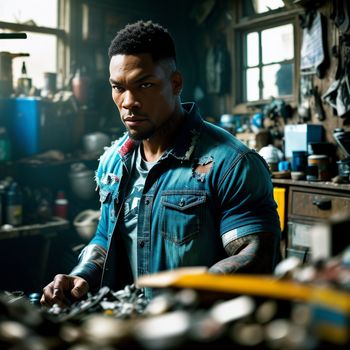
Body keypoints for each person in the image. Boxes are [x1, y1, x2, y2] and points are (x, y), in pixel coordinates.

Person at [41, 20, 281, 306]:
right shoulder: (113, 163)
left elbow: (255, 256)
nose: (128, 101)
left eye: (145, 85)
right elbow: (106, 238)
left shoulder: (232, 163)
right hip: (130, 329)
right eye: (118, 87)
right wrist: (82, 276)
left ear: (175, 83)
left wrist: (188, 298)